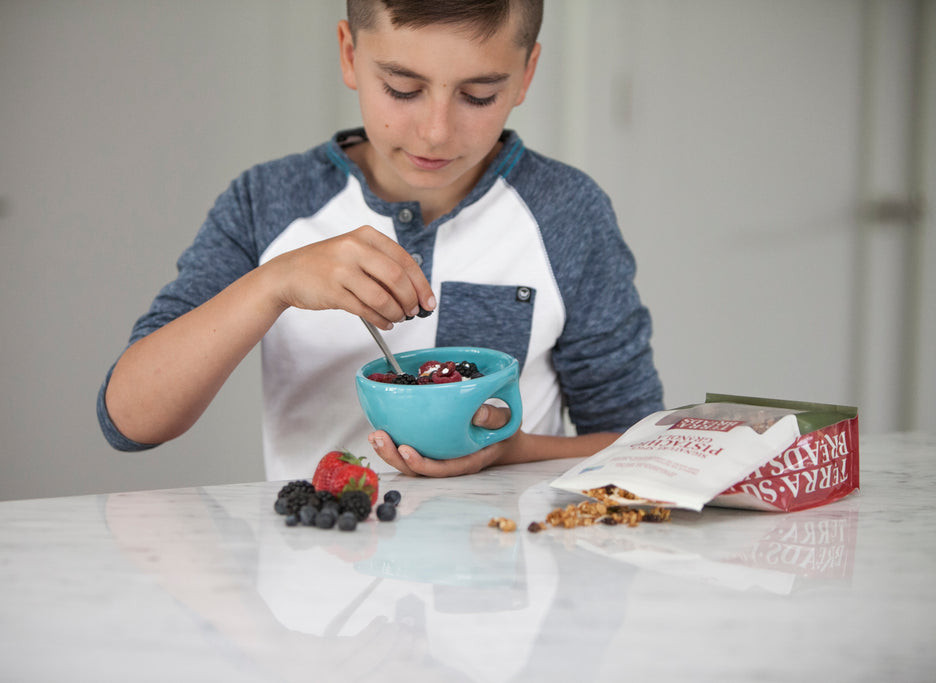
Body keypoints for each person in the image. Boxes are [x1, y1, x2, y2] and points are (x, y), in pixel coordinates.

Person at [97, 0, 663, 481]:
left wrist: (513, 453)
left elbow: (646, 447)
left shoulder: (568, 212)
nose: (436, 131)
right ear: (349, 54)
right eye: (402, 88)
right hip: (316, 592)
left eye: (479, 96)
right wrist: (274, 283)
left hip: (510, 589)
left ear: (527, 73)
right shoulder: (267, 202)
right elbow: (130, 420)